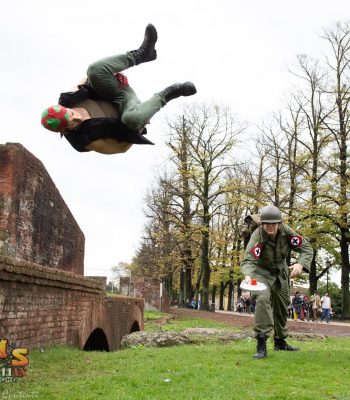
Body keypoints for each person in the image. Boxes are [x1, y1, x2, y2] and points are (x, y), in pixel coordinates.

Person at [41, 24, 196, 154]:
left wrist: (112, 73)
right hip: (128, 109)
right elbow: (122, 148)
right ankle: (171, 92)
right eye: (72, 124)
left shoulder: (69, 99)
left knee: (94, 70)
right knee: (132, 119)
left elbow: (86, 81)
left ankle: (142, 54)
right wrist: (139, 126)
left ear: (66, 108)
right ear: (64, 131)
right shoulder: (86, 139)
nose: (77, 118)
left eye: (72, 114)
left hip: (117, 92)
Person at [240, 205, 313, 359]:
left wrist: (300, 264)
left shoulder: (287, 232)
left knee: (282, 305)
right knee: (263, 298)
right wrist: (247, 275)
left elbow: (307, 248)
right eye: (267, 224)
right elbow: (248, 260)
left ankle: (280, 341)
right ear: (262, 224)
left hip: (280, 273)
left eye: (274, 224)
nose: (270, 227)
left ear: (279, 223)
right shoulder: (257, 236)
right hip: (261, 273)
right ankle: (261, 343)